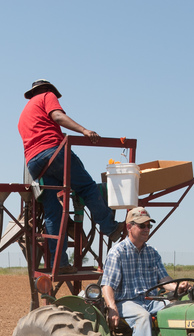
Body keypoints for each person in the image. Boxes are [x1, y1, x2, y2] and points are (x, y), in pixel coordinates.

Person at [18, 79, 122, 267]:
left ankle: (60, 262)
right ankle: (110, 227)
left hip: (34, 163)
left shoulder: (24, 112)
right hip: (53, 152)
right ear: (49, 90)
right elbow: (57, 116)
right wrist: (84, 130)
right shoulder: (46, 96)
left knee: (53, 210)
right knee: (87, 188)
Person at [100, 207, 189, 336]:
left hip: (151, 300)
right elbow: (107, 285)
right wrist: (112, 307)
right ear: (129, 227)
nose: (146, 229)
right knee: (143, 317)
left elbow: (164, 280)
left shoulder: (152, 253)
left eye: (148, 226)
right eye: (142, 226)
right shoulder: (118, 253)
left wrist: (177, 287)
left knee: (177, 310)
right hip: (126, 302)